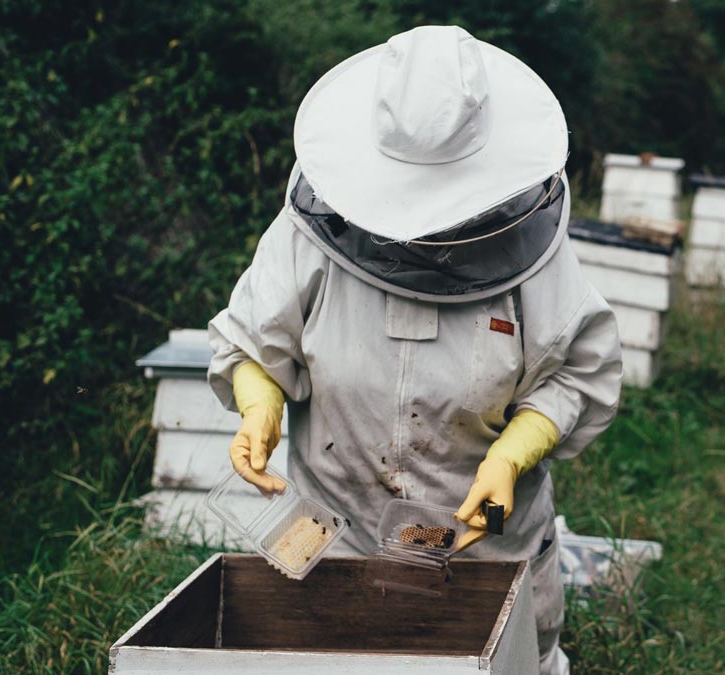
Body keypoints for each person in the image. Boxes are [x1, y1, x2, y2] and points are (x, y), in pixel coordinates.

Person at [206, 25, 622, 674]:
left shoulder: (534, 255)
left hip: (487, 558)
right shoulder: (309, 236)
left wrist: (512, 455)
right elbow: (255, 340)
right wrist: (259, 407)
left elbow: (576, 373)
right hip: (334, 547)